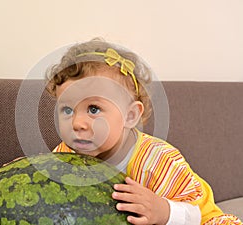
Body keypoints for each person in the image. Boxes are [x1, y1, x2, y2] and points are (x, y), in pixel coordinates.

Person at [46, 38, 242, 225]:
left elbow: (195, 214)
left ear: (130, 116)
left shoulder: (160, 160)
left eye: (94, 109)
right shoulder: (65, 154)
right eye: (68, 110)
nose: (77, 123)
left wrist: (162, 210)